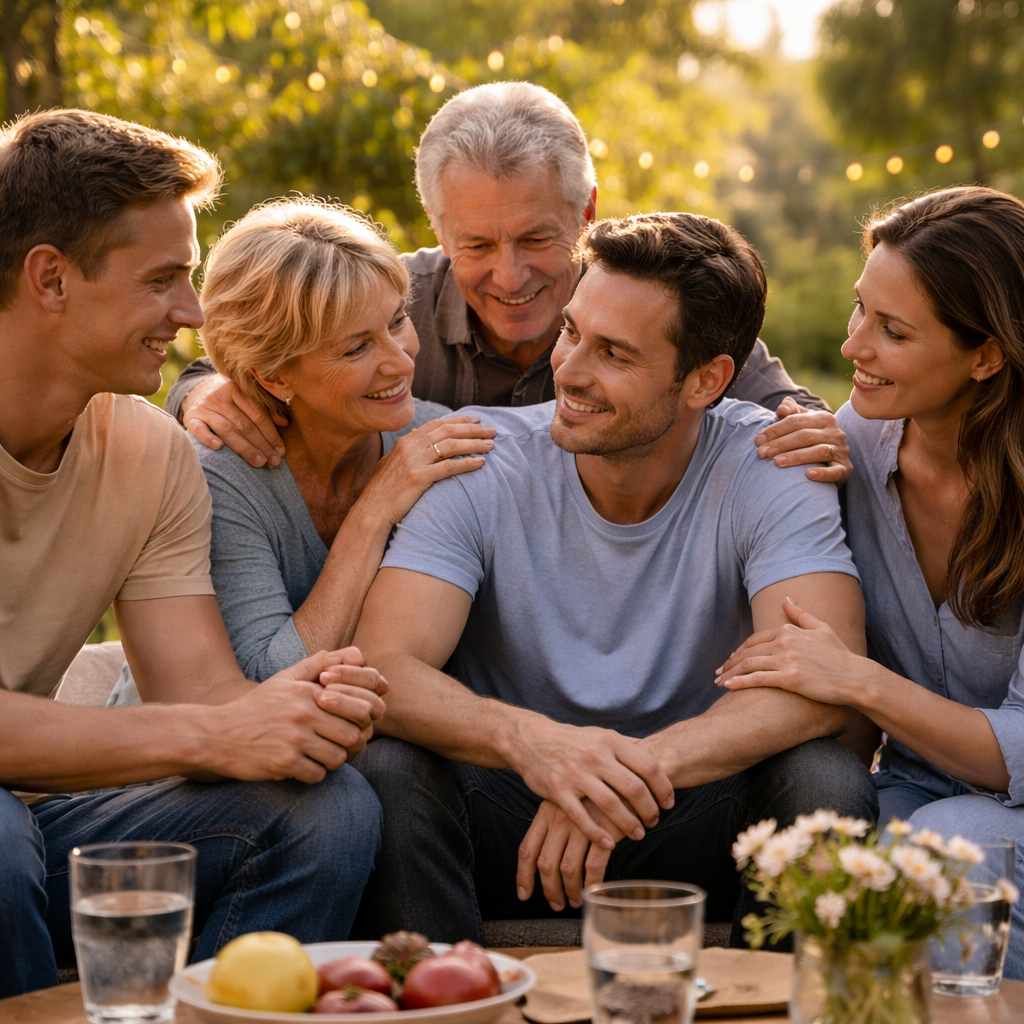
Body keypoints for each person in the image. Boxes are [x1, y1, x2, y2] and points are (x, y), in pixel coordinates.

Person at [348, 212, 878, 945]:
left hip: (694, 810)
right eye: (571, 332)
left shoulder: (773, 463)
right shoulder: (480, 457)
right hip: (513, 816)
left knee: (825, 780)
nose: (568, 370)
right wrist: (535, 745)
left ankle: (791, 998)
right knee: (389, 768)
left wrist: (618, 772)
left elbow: (827, 680)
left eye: (614, 354)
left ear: (706, 380)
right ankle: (441, 991)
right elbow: (383, 667)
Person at [0, 111, 384, 998]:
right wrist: (217, 731)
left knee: (323, 809)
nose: (192, 314)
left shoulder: (148, 453)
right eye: (162, 280)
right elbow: (204, 726)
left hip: (34, 831)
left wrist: (298, 708)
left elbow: (201, 691)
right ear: (51, 278)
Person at [167, 83, 851, 486]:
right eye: (477, 245)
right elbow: (223, 363)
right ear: (437, 225)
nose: (510, 275)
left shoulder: (642, 307)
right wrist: (205, 394)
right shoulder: (387, 306)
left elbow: (787, 408)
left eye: (535, 238)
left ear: (586, 213)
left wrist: (809, 430)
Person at [716, 186, 1024, 979]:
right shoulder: (850, 447)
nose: (854, 345)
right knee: (809, 850)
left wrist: (857, 680)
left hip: (995, 817)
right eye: (861, 310)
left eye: (893, 331)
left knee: (950, 856)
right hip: (914, 793)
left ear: (987, 356)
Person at [107, 198, 493, 697]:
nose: (401, 362)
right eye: (357, 347)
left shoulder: (435, 440)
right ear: (274, 376)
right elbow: (263, 687)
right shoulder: (216, 476)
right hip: (186, 737)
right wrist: (373, 511)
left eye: (398, 321)